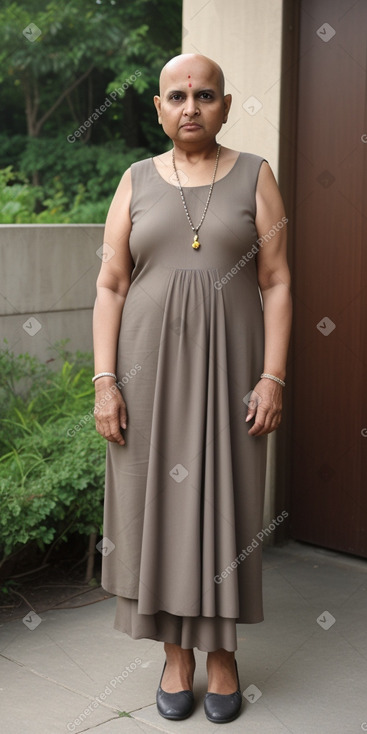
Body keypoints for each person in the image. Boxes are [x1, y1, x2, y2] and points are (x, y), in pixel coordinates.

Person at [92, 53, 292, 724]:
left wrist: (272, 375)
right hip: (144, 379)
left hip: (232, 375)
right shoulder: (135, 180)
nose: (190, 106)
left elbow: (276, 281)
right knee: (156, 514)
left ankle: (222, 654)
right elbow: (111, 284)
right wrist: (105, 383)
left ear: (225, 106)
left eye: (204, 95)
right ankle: (175, 655)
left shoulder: (256, 176)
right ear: (158, 108)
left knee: (224, 508)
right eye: (176, 95)